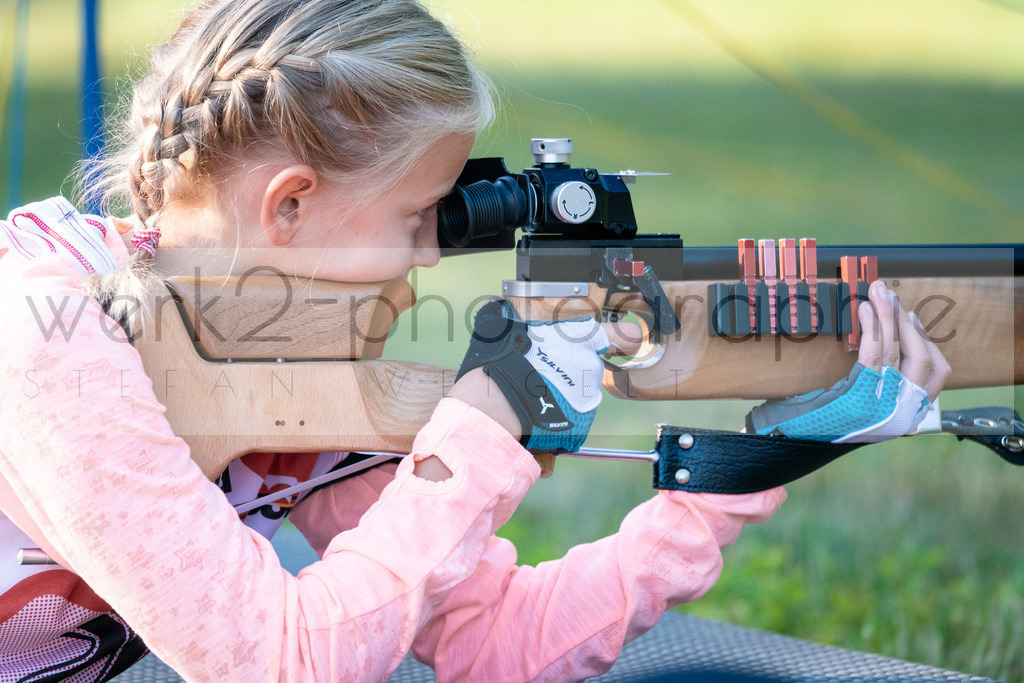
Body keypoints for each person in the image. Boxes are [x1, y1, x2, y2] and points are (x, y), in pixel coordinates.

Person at [0, 0, 949, 681]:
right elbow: (281, 661)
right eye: (417, 220)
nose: (421, 274)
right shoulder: (51, 337)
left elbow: (500, 645)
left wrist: (766, 459)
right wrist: (481, 427)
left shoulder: (281, 357)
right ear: (289, 203)